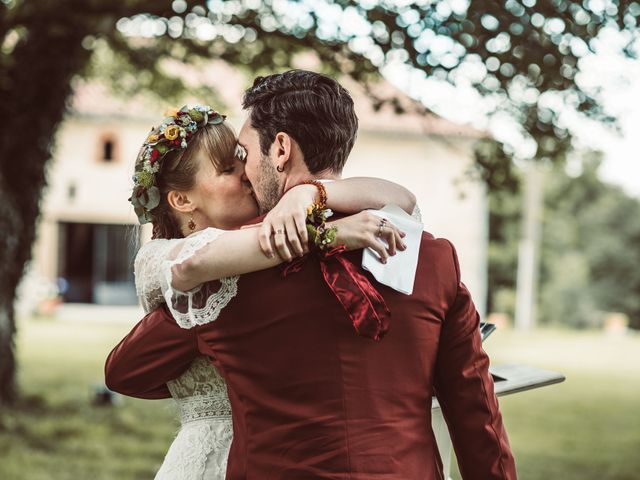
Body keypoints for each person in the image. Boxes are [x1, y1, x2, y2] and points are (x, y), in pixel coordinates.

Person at [106, 70, 518, 479]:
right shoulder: (431, 258)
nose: (243, 173)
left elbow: (128, 367)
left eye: (245, 156)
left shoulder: (227, 276)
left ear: (280, 149)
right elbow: (476, 415)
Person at [120, 103, 416, 479]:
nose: (246, 174)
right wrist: (327, 235)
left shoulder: (264, 231)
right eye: (228, 169)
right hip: (211, 456)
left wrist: (308, 193)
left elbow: (403, 198)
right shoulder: (161, 256)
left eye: (240, 160)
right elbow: (196, 264)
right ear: (182, 200)